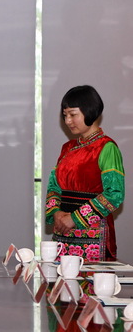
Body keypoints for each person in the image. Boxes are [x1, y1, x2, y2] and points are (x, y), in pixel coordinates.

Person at [46, 85, 125, 262]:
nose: (68, 121)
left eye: (73, 114)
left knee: (90, 279)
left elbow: (114, 194)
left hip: (93, 234)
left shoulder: (106, 147)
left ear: (90, 111)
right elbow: (54, 186)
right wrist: (56, 213)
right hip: (63, 233)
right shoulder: (67, 148)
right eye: (65, 115)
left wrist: (75, 218)